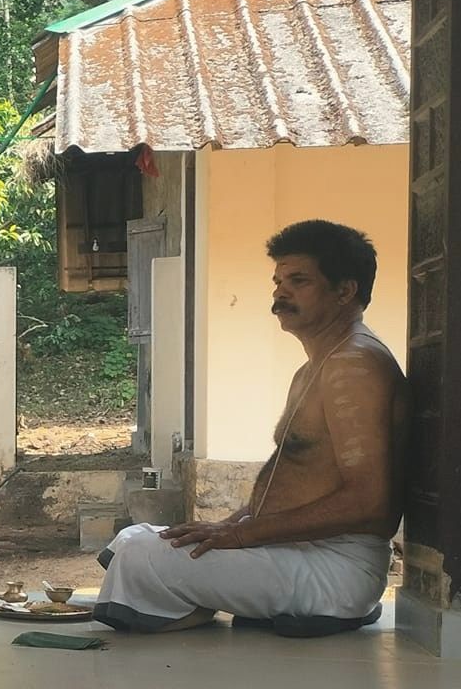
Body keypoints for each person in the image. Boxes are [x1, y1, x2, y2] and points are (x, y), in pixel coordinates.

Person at [95, 219, 406, 637]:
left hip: (337, 569)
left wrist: (244, 536)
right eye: (278, 280)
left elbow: (370, 503)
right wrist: (230, 526)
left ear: (345, 291)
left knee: (141, 557)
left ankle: (212, 608)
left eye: (299, 280)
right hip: (296, 555)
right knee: (138, 537)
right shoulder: (318, 366)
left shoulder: (354, 367)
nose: (280, 292)